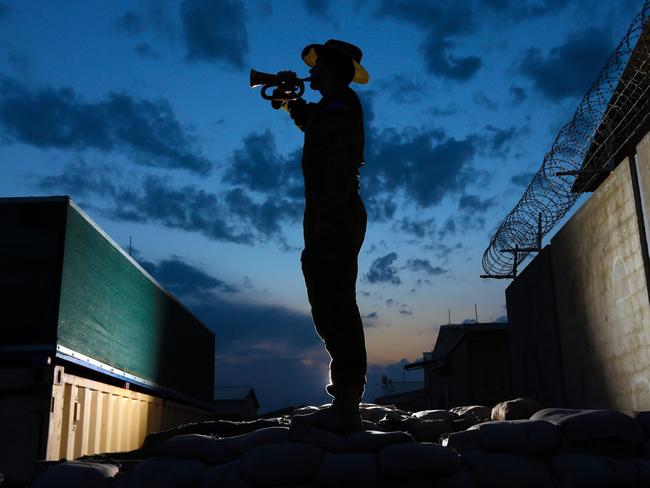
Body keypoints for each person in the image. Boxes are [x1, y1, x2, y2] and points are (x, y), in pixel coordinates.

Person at [273, 39, 369, 434]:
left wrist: (327, 217)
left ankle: (346, 403)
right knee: (327, 302)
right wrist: (291, 103)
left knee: (336, 304)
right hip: (328, 210)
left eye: (317, 66)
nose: (310, 72)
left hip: (335, 211)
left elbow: (340, 162)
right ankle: (344, 400)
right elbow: (313, 125)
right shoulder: (332, 107)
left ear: (332, 69)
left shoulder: (342, 104)